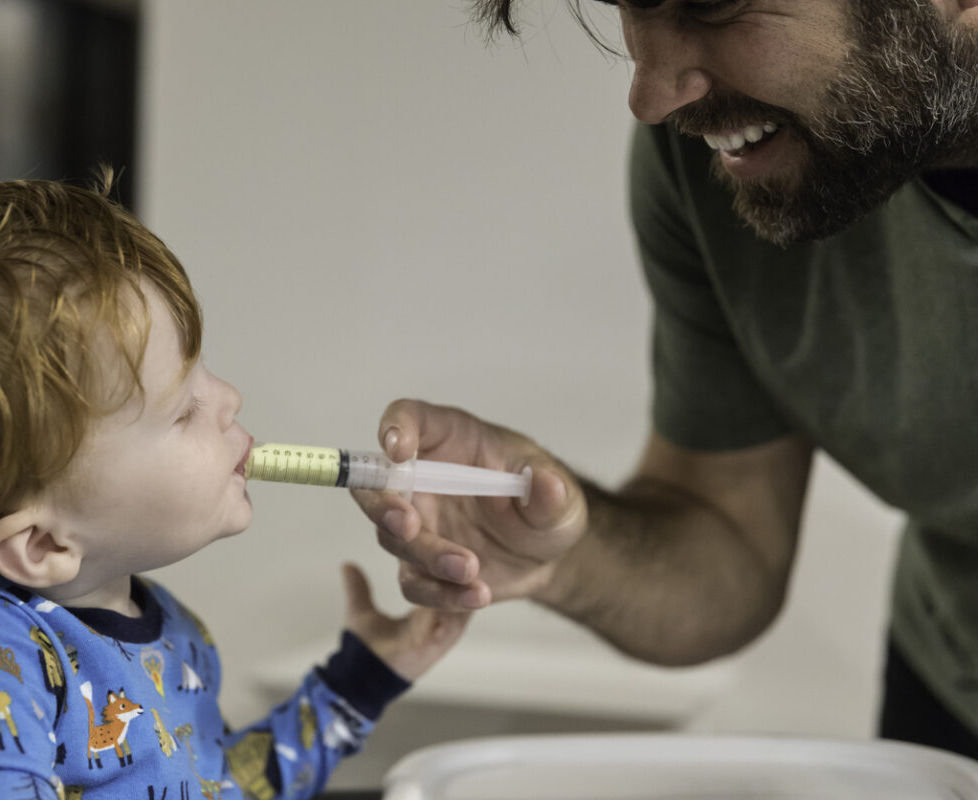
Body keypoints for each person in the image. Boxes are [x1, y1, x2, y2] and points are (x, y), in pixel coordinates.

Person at [352, 0, 978, 759]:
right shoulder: (728, 164)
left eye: (712, 6)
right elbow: (730, 540)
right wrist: (561, 545)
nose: (650, 97)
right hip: (950, 692)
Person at [0, 161, 468, 799]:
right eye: (183, 409)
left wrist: (364, 679)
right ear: (45, 545)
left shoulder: (171, 633)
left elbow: (224, 786)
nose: (228, 398)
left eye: (204, 373)